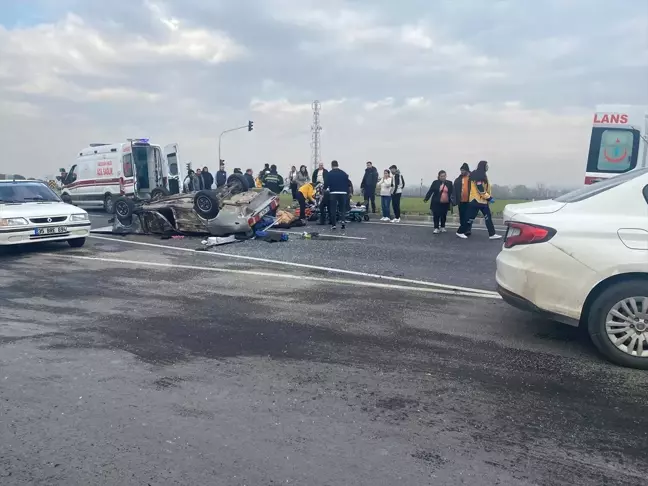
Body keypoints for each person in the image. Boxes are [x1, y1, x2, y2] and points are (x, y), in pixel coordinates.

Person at [456, 160, 502, 240]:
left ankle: (492, 234)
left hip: (482, 201)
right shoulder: (478, 176)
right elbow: (480, 190)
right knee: (469, 218)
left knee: (488, 217)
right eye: (486, 166)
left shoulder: (482, 175)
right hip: (476, 201)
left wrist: (487, 197)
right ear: (482, 166)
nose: (487, 167)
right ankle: (460, 231)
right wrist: (489, 198)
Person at [323, 160, 349, 230]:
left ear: (332, 165)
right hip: (343, 193)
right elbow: (348, 183)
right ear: (338, 165)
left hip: (333, 193)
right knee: (342, 208)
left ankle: (333, 224)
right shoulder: (344, 173)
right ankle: (343, 221)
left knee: (333, 209)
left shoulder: (329, 174)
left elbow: (326, 184)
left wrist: (324, 189)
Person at [453, 163, 471, 234]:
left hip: (470, 200)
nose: (462, 172)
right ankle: (463, 228)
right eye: (461, 170)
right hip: (461, 201)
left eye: (463, 170)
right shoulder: (458, 179)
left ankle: (468, 229)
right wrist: (455, 200)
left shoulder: (471, 178)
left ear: (467, 170)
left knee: (469, 216)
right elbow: (455, 189)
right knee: (462, 215)